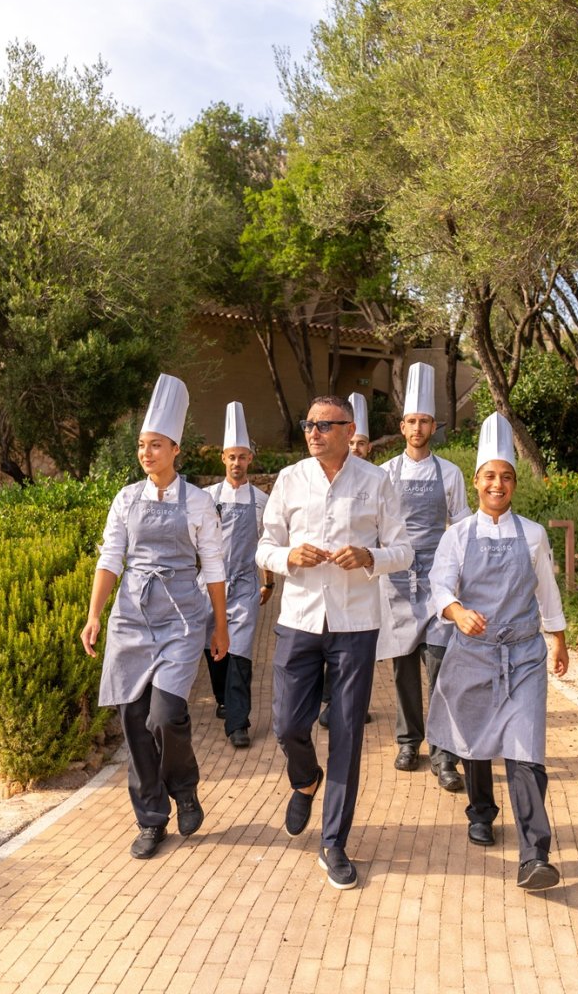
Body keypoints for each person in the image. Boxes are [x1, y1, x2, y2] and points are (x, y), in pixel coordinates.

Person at [257, 395, 413, 890]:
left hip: (355, 625)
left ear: (349, 430)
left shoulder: (376, 481)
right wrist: (288, 557)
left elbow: (404, 550)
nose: (313, 432)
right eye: (308, 424)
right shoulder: (290, 479)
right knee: (286, 724)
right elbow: (264, 547)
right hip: (299, 619)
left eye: (324, 425)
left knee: (347, 733)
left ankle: (334, 842)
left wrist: (369, 557)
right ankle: (305, 779)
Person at [81, 374, 228, 860]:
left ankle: (184, 788)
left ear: (175, 449)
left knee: (165, 715)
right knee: (134, 720)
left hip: (182, 619)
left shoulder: (199, 502)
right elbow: (110, 559)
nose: (147, 453)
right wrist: (94, 616)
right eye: (142, 445)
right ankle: (150, 819)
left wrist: (220, 625)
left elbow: (213, 567)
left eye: (156, 444)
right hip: (131, 618)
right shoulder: (126, 499)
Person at [427, 411, 569, 890]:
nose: (497, 484)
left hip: (524, 656)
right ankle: (481, 811)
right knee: (476, 738)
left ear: (514, 484)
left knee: (526, 749)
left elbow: (546, 590)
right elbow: (439, 585)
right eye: (490, 475)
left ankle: (535, 855)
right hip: (473, 652)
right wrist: (456, 612)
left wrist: (558, 638)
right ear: (476, 481)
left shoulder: (533, 534)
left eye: (506, 476)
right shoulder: (457, 535)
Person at [376, 362, 469, 793]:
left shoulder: (449, 473)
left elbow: (463, 528)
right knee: (402, 669)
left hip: (437, 582)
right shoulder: (385, 474)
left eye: (424, 421)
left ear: (434, 426)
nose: (417, 428)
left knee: (440, 664)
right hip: (397, 580)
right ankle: (409, 742)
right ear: (402, 427)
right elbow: (375, 527)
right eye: (411, 421)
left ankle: (445, 753)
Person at [202, 402, 273, 749]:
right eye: (232, 456)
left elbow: (267, 542)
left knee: (241, 651)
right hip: (209, 584)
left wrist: (268, 580)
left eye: (243, 457)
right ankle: (223, 699)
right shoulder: (206, 498)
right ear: (223, 459)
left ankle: (238, 722)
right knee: (213, 646)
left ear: (250, 460)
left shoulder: (261, 500)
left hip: (245, 583)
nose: (237, 463)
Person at [319, 391, 374, 730]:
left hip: (366, 586)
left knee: (360, 658)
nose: (357, 448)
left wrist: (369, 557)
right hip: (320, 591)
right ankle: (332, 702)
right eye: (353, 444)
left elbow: (393, 542)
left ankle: (352, 704)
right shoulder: (304, 478)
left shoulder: (377, 480)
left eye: (361, 443)